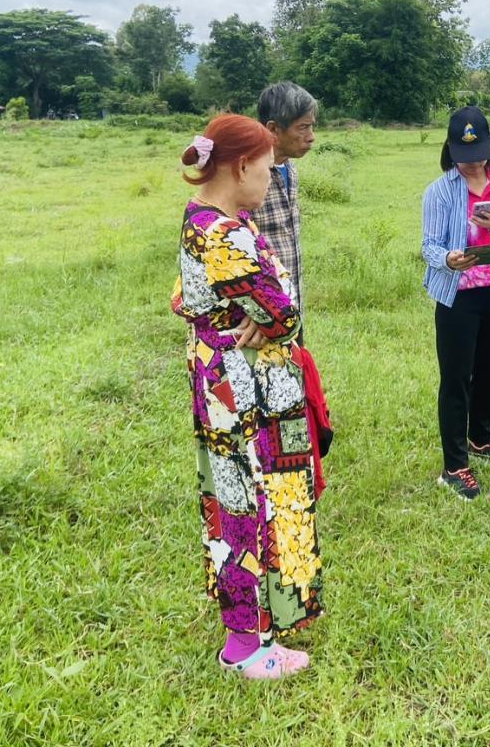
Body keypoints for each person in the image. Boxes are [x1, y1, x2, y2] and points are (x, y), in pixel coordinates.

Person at [171, 114, 322, 680]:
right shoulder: (226, 233)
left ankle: (259, 623)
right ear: (241, 167)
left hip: (227, 385)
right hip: (244, 391)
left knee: (239, 499)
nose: (270, 178)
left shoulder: (205, 218)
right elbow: (283, 309)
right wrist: (273, 314)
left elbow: (200, 295)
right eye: (266, 169)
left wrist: (259, 308)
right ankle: (245, 646)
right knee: (245, 507)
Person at [421, 106, 490, 499]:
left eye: (480, 155)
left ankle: (481, 439)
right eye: (464, 157)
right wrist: (449, 259)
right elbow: (429, 246)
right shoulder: (439, 191)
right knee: (456, 379)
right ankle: (455, 466)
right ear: (451, 151)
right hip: (457, 296)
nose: (473, 164)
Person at [255, 82, 317, 329]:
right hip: (260, 312)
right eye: (302, 127)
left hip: (290, 303)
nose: (311, 136)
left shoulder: (289, 166)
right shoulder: (248, 175)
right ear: (273, 129)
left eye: (311, 126)